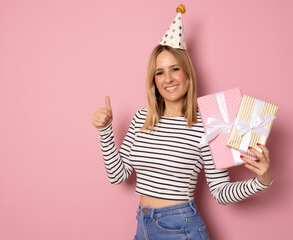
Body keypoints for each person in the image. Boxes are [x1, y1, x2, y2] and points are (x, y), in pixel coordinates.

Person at [92, 5, 273, 240]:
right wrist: (105, 131)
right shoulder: (140, 118)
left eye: (175, 69)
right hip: (142, 225)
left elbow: (220, 192)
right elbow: (118, 175)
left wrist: (263, 180)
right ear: (153, 80)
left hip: (181, 229)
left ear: (187, 73)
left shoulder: (210, 124)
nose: (167, 79)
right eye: (160, 72)